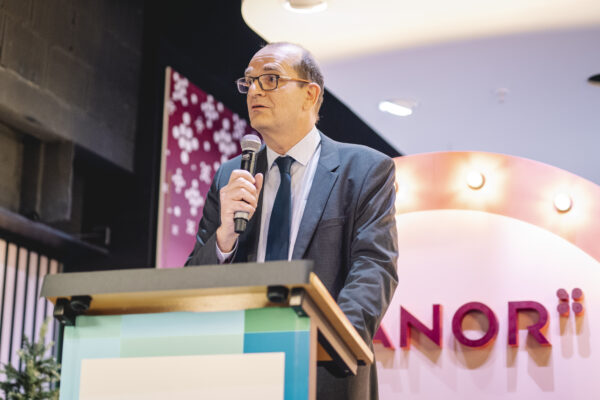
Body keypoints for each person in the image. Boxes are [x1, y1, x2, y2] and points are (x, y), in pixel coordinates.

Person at [186, 42, 398, 400]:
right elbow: (193, 283)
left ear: (309, 95)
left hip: (325, 369)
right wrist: (224, 237)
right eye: (249, 81)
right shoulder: (231, 176)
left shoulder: (364, 170)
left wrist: (326, 342)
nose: (255, 90)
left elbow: (374, 267)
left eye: (270, 79)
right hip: (238, 372)